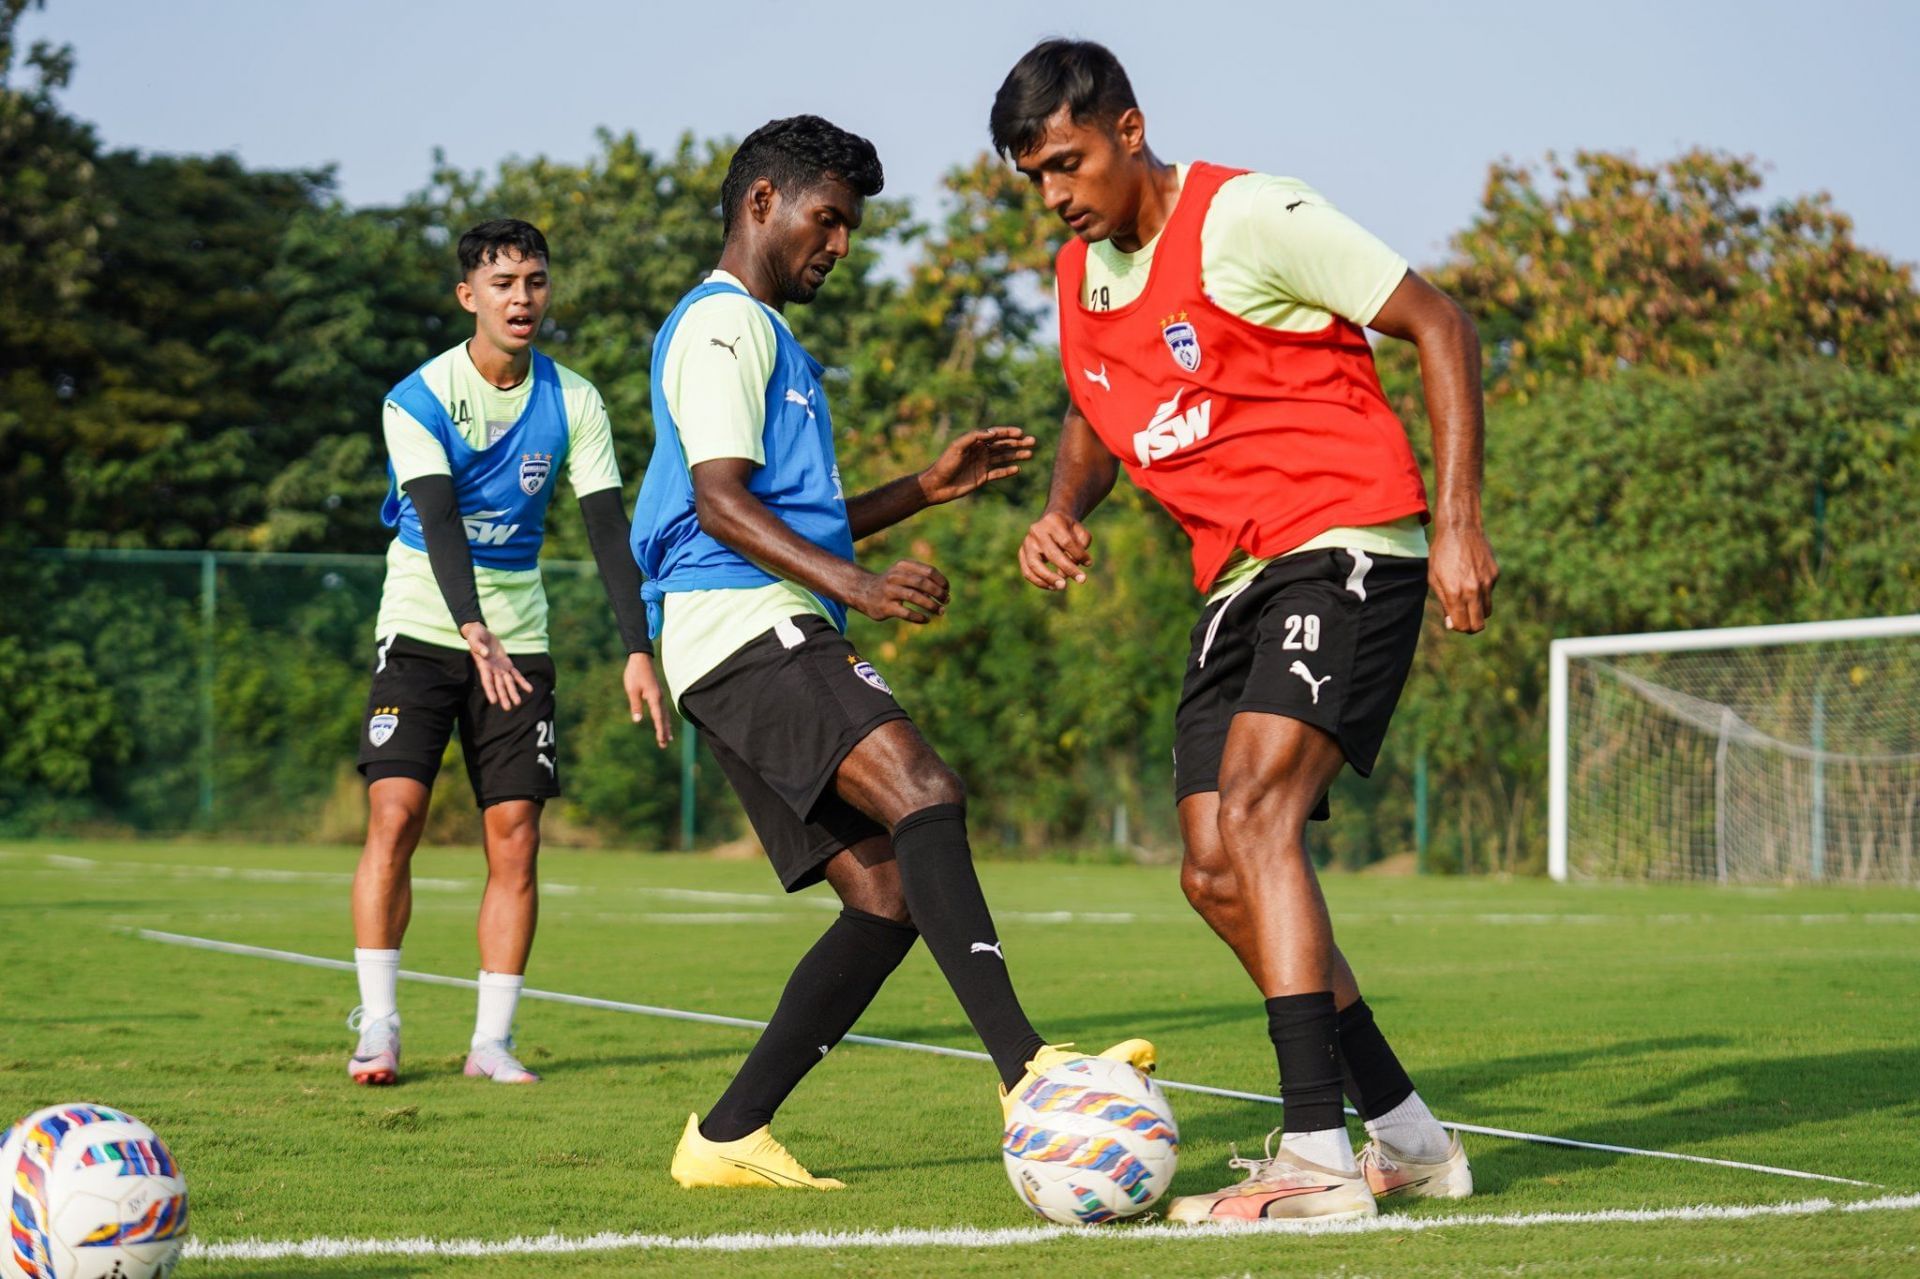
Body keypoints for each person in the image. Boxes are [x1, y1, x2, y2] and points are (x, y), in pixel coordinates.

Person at [991, 40, 1499, 1222]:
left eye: (1067, 163)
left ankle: (1317, 1160)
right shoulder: (1080, 280)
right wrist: (1062, 509)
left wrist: (1462, 521)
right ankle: (1412, 1140)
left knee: (1263, 811)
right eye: (1035, 179)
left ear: (1128, 127)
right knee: (1215, 867)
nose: (1056, 195)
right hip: (1232, 582)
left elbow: (1440, 322)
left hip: (1350, 540)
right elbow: (1093, 405)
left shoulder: (1248, 214)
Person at [630, 114, 1151, 1189]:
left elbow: (783, 514)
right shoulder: (724, 329)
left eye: (852, 227)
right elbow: (722, 507)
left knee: (887, 899)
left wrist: (923, 488)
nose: (841, 244)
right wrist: (859, 586)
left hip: (739, 631)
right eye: (829, 219)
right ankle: (1027, 1070)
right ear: (761, 202)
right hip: (743, 623)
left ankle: (726, 1135)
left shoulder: (769, 340)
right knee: (923, 784)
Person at [348, 218, 669, 1087]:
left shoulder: (576, 401)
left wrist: (639, 648)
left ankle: (491, 1040)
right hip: (423, 626)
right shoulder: (415, 399)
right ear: (468, 297)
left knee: (516, 835)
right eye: (502, 283)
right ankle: (378, 1025)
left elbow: (608, 530)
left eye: (534, 280)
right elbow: (439, 518)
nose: (521, 297)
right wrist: (466, 623)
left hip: (520, 642)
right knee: (396, 815)